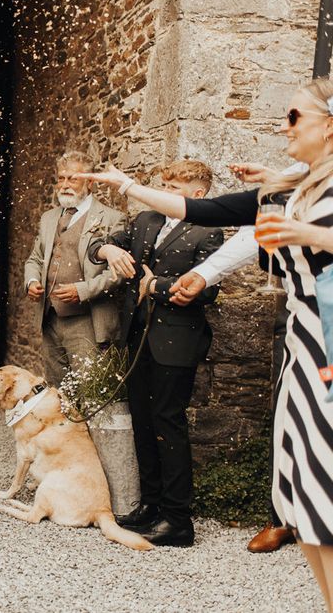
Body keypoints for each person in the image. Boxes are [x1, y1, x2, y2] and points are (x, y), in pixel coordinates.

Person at [81, 76, 333, 610]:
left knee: (323, 492)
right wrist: (125, 185)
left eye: (294, 117)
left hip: (326, 350)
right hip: (304, 345)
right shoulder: (297, 183)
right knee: (307, 498)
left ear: (330, 126)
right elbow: (214, 212)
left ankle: (178, 512)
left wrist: (311, 235)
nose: (281, 127)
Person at [172, 161, 307, 554]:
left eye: (296, 120)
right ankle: (283, 516)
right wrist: (205, 273)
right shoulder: (297, 172)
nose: (287, 128)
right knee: (287, 409)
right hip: (301, 307)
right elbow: (258, 229)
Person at [89, 160, 223, 547]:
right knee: (144, 422)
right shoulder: (146, 220)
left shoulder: (209, 230)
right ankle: (150, 506)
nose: (165, 193)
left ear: (198, 194)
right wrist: (108, 249)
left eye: (175, 188)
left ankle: (178, 520)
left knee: (168, 423)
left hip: (177, 343)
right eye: (163, 185)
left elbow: (209, 288)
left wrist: (157, 286)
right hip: (138, 338)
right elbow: (99, 244)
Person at [24, 150, 125, 385]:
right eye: (61, 178)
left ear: (90, 183)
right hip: (50, 319)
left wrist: (82, 291)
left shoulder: (112, 218)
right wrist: (32, 281)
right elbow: (35, 259)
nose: (65, 185)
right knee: (58, 390)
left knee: (90, 389)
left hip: (87, 320)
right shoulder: (48, 218)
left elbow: (118, 273)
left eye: (73, 179)